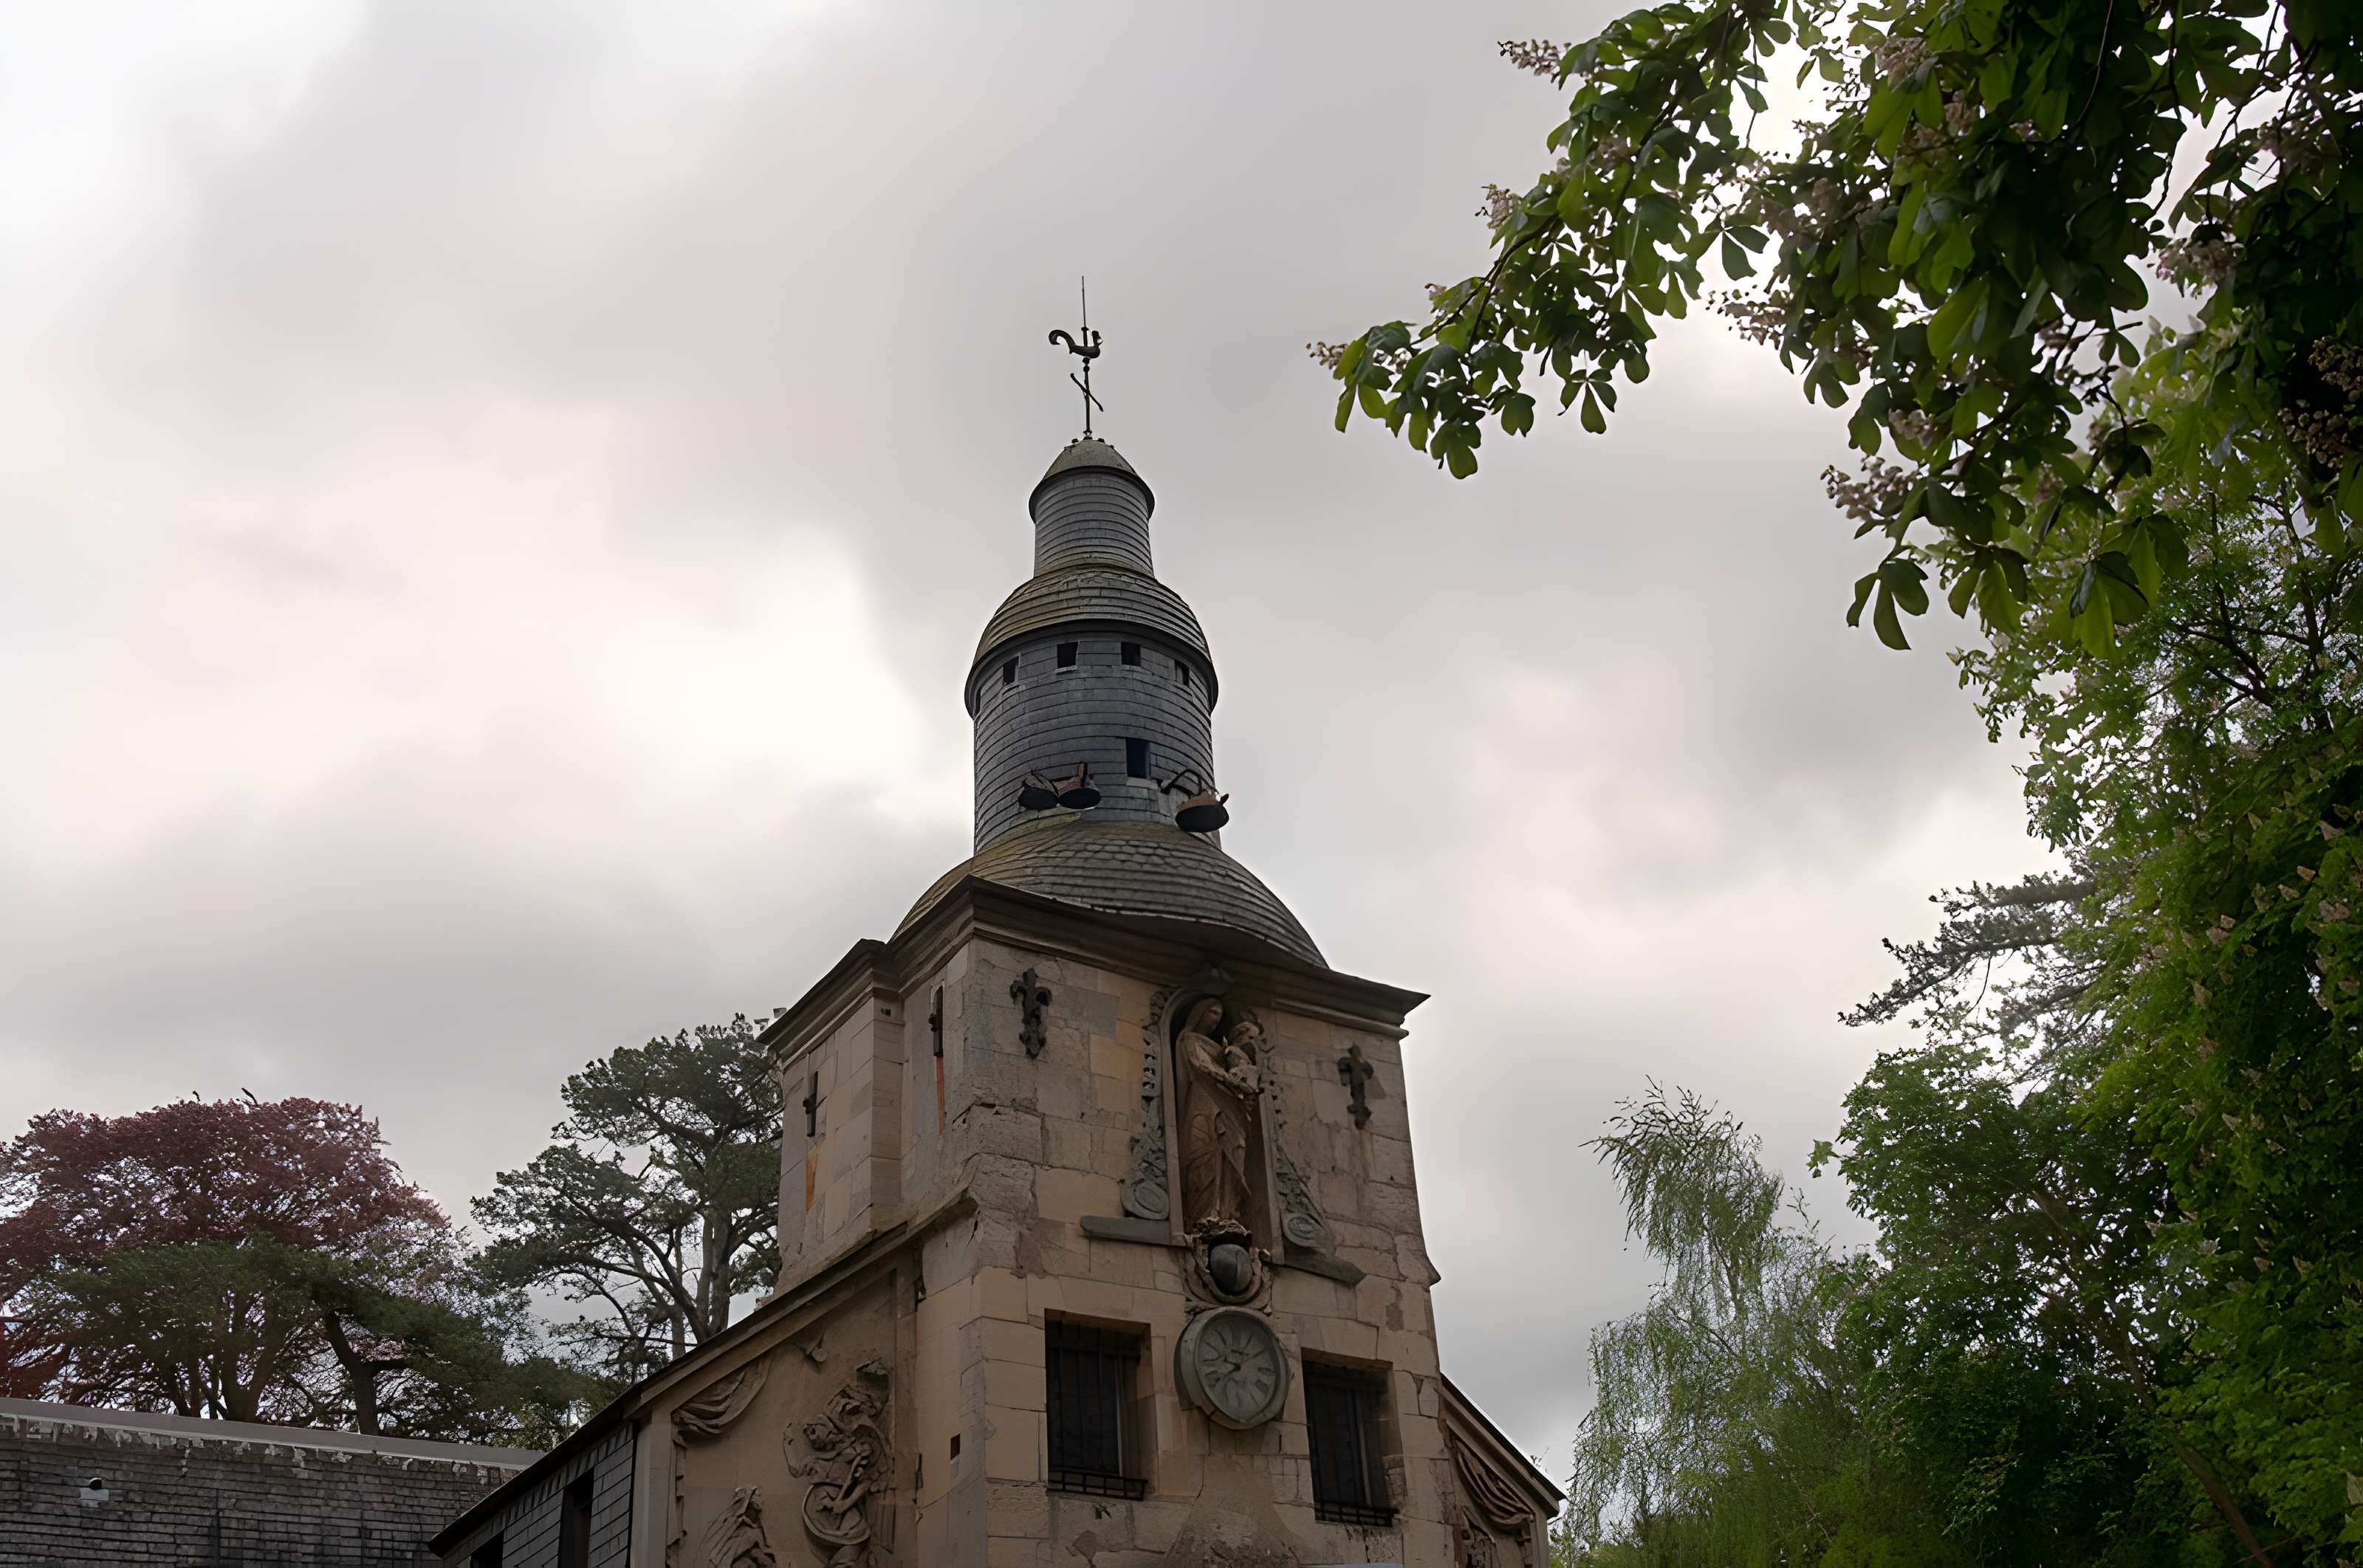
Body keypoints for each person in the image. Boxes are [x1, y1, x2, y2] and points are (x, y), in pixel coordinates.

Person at [1179, 998, 1260, 1228]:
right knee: (1202, 1154)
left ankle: (1228, 1213)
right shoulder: (1190, 1039)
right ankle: (1201, 1216)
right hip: (1203, 1100)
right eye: (1212, 1012)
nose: (1216, 1019)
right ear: (1200, 1014)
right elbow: (1201, 1065)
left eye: (1219, 1015)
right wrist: (1234, 1082)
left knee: (1230, 1153)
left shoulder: (1224, 1049)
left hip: (1227, 1103)